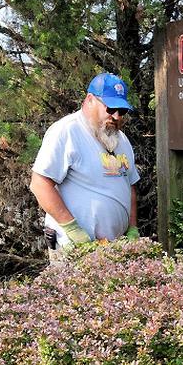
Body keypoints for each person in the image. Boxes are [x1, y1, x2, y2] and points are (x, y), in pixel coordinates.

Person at [30, 72, 140, 259]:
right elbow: (39, 184)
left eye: (122, 111)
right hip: (73, 248)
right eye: (110, 108)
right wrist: (72, 229)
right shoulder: (67, 131)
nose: (116, 116)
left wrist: (132, 228)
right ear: (90, 100)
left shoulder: (121, 140)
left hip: (115, 250)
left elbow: (129, 186)